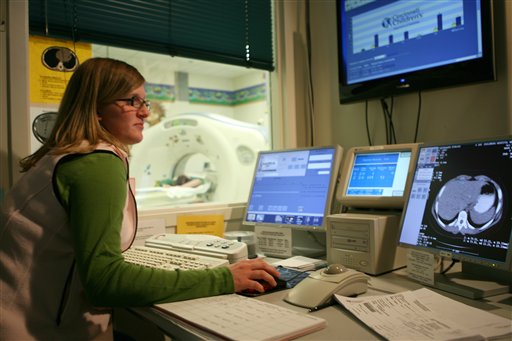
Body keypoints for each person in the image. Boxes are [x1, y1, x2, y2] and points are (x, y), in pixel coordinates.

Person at [0, 57, 280, 341]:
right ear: (96, 107)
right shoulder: (96, 163)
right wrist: (225, 278)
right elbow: (105, 281)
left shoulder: (65, 156)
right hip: (33, 329)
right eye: (133, 101)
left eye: (144, 102)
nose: (145, 112)